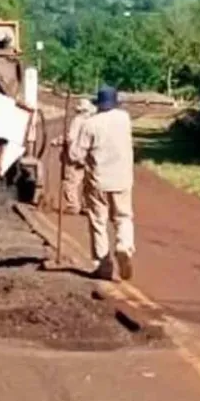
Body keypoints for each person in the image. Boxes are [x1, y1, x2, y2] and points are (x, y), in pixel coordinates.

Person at [68, 86, 135, 281]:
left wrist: (69, 146)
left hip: (98, 181)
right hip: (122, 179)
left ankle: (104, 266)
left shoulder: (90, 124)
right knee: (123, 217)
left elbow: (75, 156)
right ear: (116, 102)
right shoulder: (124, 119)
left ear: (98, 104)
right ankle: (124, 244)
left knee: (98, 222)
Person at [54, 97, 94, 215]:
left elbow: (70, 137)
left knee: (70, 182)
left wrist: (57, 141)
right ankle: (87, 205)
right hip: (87, 156)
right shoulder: (92, 122)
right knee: (87, 182)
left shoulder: (77, 120)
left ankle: (73, 205)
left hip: (75, 156)